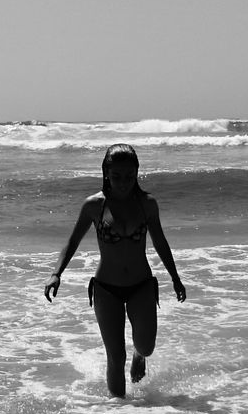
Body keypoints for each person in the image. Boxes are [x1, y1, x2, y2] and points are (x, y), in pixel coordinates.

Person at [44, 144, 187, 397]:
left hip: (141, 285)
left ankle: (139, 356)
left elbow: (160, 242)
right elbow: (72, 240)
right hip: (105, 288)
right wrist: (57, 273)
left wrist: (175, 278)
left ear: (137, 174)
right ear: (106, 173)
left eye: (129, 176)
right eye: (117, 176)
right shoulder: (94, 205)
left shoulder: (147, 204)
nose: (123, 182)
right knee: (115, 356)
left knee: (147, 346)